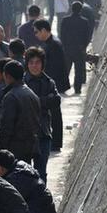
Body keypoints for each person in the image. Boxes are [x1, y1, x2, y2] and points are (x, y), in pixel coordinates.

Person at [23, 47, 61, 182]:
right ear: (27, 64)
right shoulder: (22, 83)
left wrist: (37, 101)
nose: (34, 66)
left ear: (42, 64)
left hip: (43, 132)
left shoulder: (49, 82)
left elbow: (56, 101)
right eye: (31, 62)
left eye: (37, 62)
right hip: (24, 134)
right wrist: (44, 100)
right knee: (24, 173)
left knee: (41, 172)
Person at [33, 19, 69, 152]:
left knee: (55, 115)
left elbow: (54, 68)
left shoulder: (53, 44)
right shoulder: (50, 43)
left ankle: (56, 142)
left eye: (37, 32)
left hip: (53, 84)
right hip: (52, 83)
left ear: (43, 30)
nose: (35, 34)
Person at [0, 61, 40, 163]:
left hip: (14, 148)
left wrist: (0, 150)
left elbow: (6, 126)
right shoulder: (31, 93)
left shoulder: (10, 97)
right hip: (29, 146)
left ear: (7, 76)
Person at [60, 1, 90, 95]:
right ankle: (77, 89)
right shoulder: (84, 21)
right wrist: (84, 46)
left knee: (65, 70)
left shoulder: (65, 20)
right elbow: (87, 36)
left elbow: (62, 34)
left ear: (71, 8)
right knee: (79, 70)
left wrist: (64, 46)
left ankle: (63, 87)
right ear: (80, 10)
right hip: (79, 49)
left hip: (67, 48)